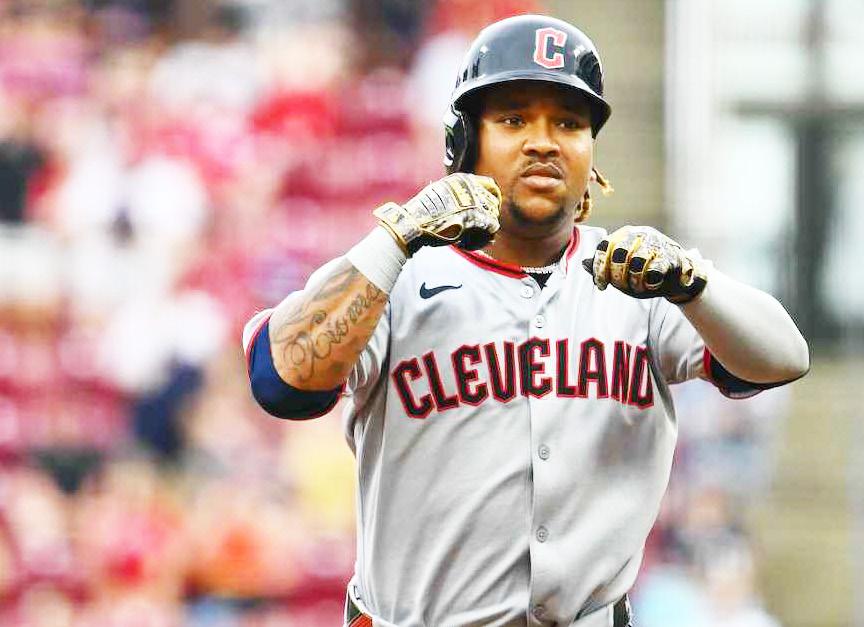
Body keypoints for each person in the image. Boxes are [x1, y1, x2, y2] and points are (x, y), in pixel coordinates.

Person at [243, 14, 809, 627]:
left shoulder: (641, 279)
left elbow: (783, 358)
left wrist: (694, 285)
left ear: (591, 151)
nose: (544, 142)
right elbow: (281, 381)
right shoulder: (395, 276)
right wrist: (394, 238)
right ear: (465, 142)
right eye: (514, 119)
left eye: (568, 123)